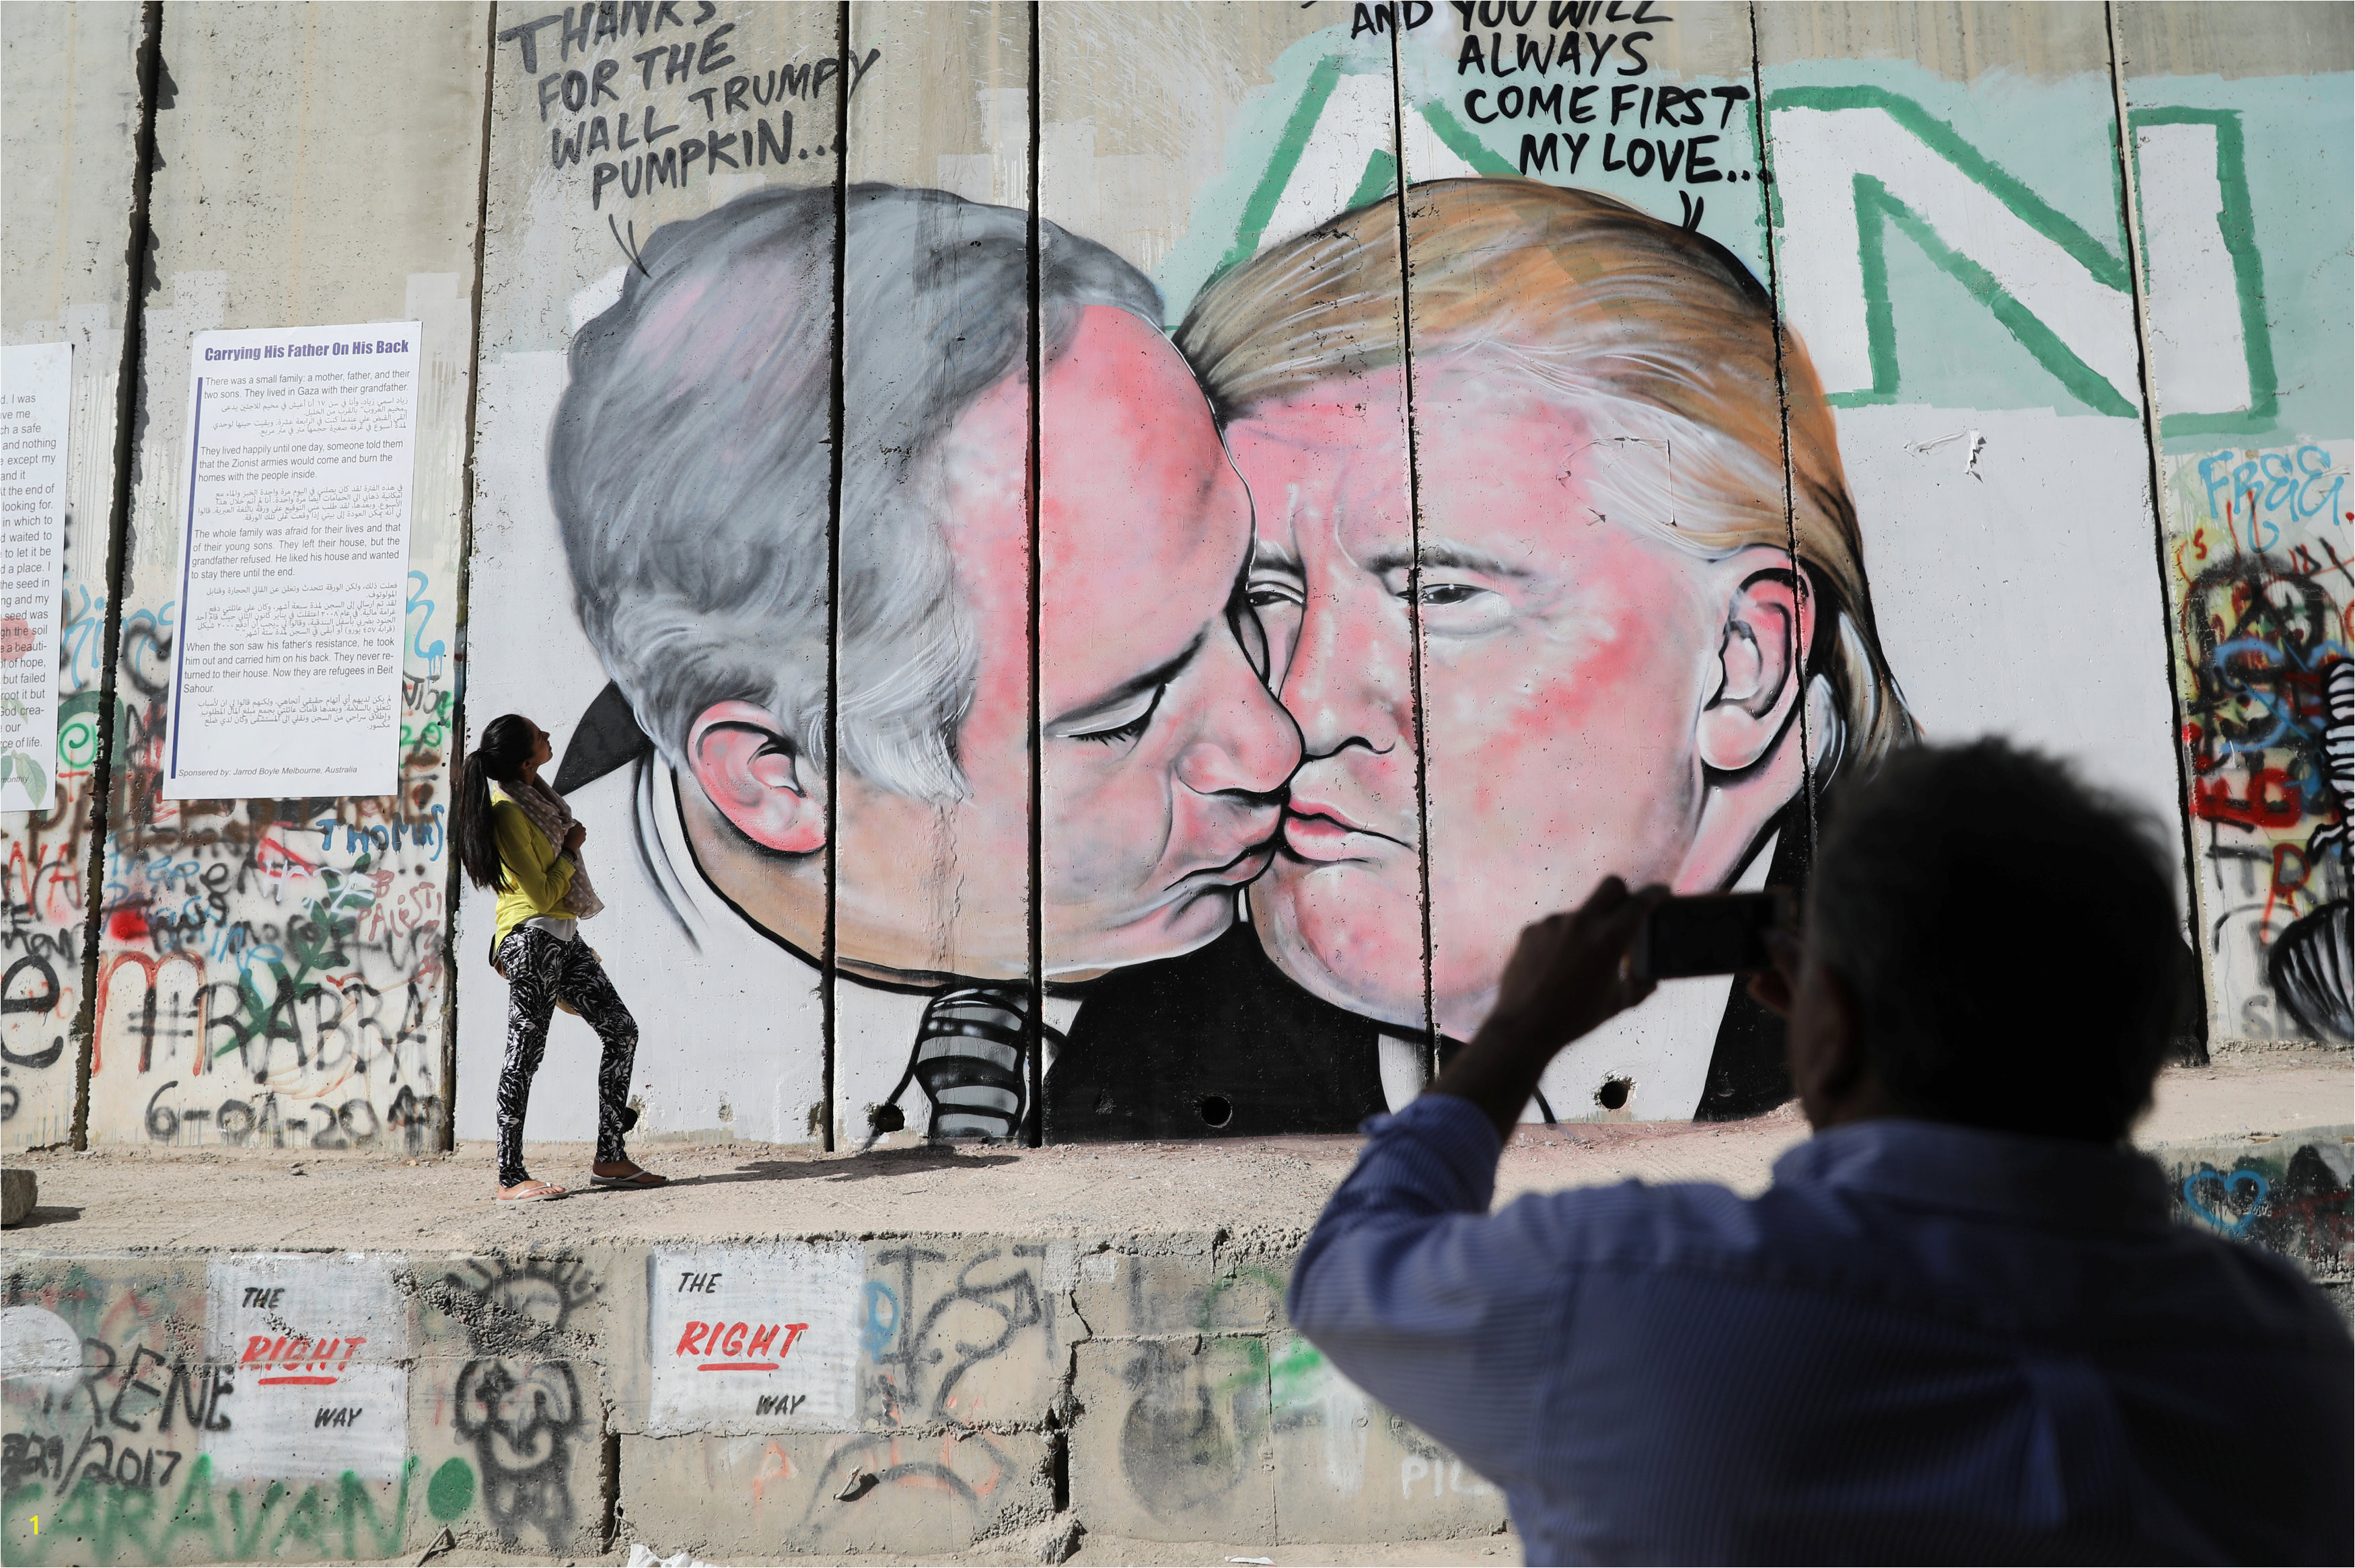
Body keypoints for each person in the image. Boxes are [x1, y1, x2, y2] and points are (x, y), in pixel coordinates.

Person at [1287, 738, 2352, 1563]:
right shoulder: (2283, 1359)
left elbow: (1350, 1271)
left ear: (1828, 1022)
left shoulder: (1630, 1292)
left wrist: (1517, 1033)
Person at [1048, 178, 1916, 1140]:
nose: (1297, 712)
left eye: (1441, 594)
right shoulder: (1149, 1049)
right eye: (1261, 595)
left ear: (1744, 659)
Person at [548, 183, 1298, 1141]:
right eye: (1124, 713)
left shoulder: (1349, 954)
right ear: (778, 777)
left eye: (1246, 598)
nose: (1274, 744)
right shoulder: (577, 1021)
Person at [456, 713, 663, 1201]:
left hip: (561, 939)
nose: (550, 735)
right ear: (527, 761)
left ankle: (610, 1157)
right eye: (540, 735)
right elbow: (545, 891)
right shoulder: (509, 813)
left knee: (621, 1030)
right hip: (531, 941)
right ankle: (510, 1176)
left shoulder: (540, 801)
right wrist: (570, 850)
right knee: (524, 1054)